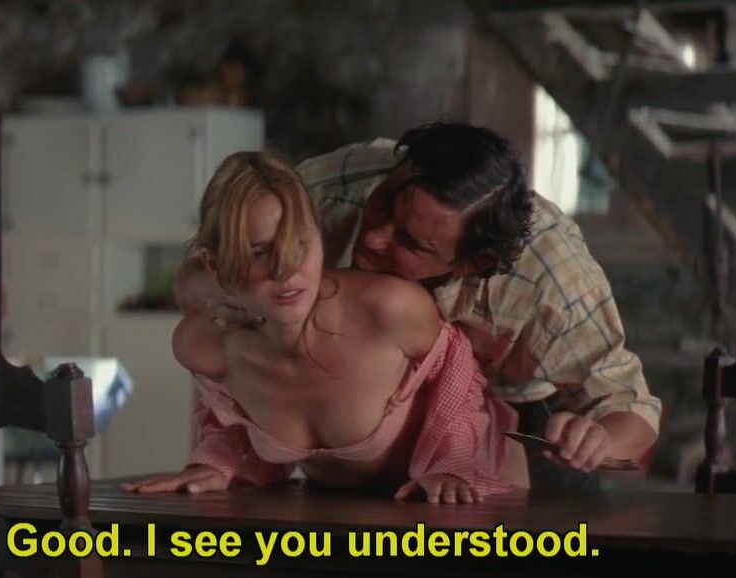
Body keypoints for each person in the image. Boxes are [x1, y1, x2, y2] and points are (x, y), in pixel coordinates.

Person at [176, 123, 661, 489]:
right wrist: (229, 293)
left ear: (472, 264)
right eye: (385, 203)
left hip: (521, 429)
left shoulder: (551, 278)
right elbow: (201, 271)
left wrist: (596, 438)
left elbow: (629, 404)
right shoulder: (332, 186)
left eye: (409, 242)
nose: (373, 236)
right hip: (360, 446)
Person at [122, 151, 526, 503]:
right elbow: (228, 415)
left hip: (476, 494)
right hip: (351, 513)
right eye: (259, 252)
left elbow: (458, 366)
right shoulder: (203, 347)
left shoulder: (386, 308)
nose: (286, 270)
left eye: (299, 244)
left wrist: (451, 464)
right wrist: (215, 463)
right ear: (214, 265)